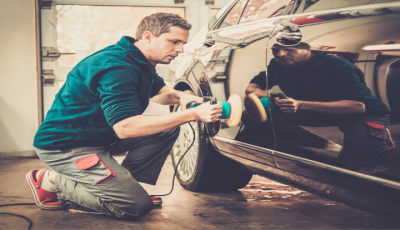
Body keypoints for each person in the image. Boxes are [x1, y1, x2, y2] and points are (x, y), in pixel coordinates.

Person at [26, 13, 222, 220]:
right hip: (66, 147)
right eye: (174, 41)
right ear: (148, 37)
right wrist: (191, 114)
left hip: (99, 138)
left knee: (166, 129)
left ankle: (126, 187)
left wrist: (181, 96)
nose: (180, 50)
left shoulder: (139, 59)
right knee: (134, 206)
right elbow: (125, 128)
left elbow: (160, 93)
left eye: (183, 43)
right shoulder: (117, 67)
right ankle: (51, 180)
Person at [244, 42, 393, 172]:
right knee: (251, 116)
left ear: (309, 47)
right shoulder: (279, 63)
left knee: (357, 167)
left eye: (289, 49)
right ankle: (325, 145)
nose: (280, 54)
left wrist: (300, 104)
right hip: (315, 110)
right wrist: (254, 90)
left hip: (361, 113)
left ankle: (375, 131)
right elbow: (257, 82)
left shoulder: (338, 67)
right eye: (275, 49)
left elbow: (356, 106)